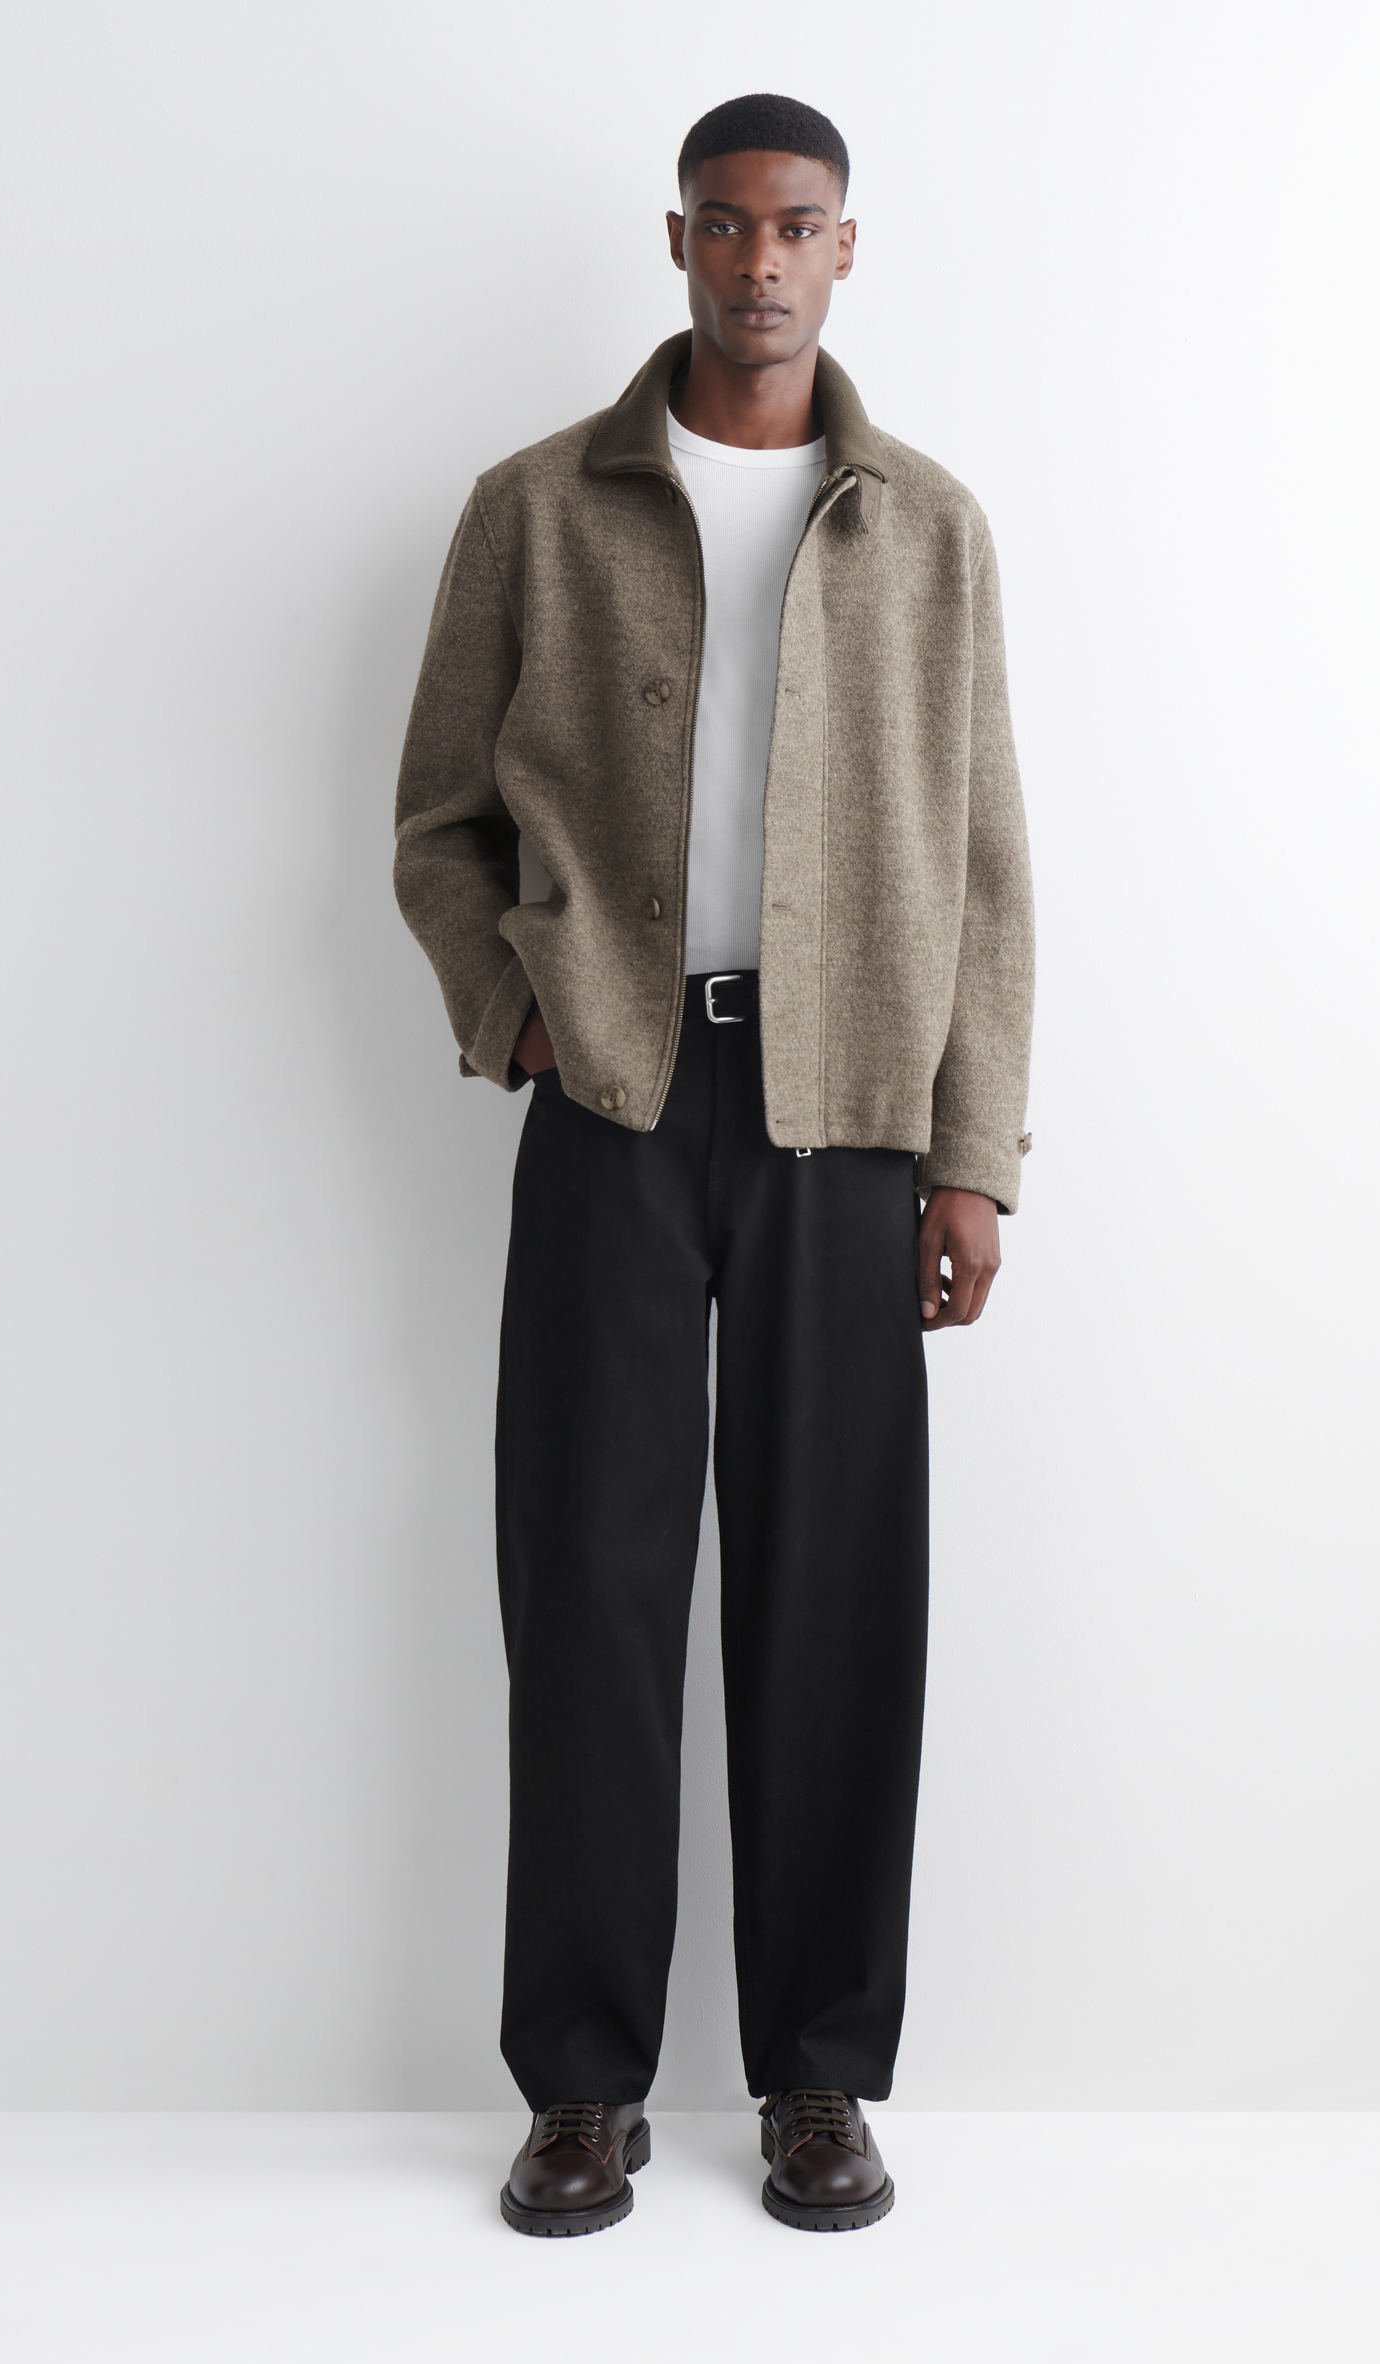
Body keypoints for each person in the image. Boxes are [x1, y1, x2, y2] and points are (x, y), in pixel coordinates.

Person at [393, 90, 1034, 2237]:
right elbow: (437, 823)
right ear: (676, 240)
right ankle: (580, 2088)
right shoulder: (534, 507)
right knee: (583, 1580)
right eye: (728, 225)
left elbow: (986, 867)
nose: (762, 262)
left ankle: (817, 2076)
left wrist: (971, 1157)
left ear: (848, 248)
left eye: (799, 227)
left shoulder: (926, 526)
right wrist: (517, 1014)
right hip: (611, 1095)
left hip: (849, 1115)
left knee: (834, 1589)